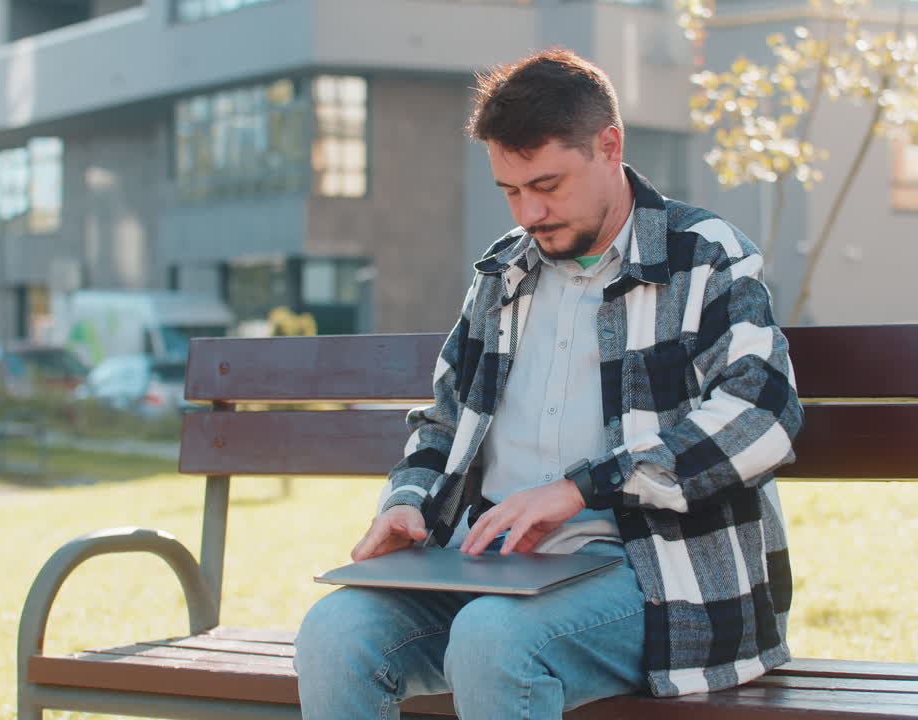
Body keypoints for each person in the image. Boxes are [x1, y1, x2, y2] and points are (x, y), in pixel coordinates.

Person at [294, 48, 804, 720]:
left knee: (493, 643)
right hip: (487, 565)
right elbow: (445, 420)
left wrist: (582, 489)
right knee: (333, 634)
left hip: (647, 571)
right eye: (511, 191)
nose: (529, 212)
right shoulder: (502, 273)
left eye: (548, 184)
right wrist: (408, 501)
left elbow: (762, 414)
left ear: (609, 145)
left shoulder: (703, 257)